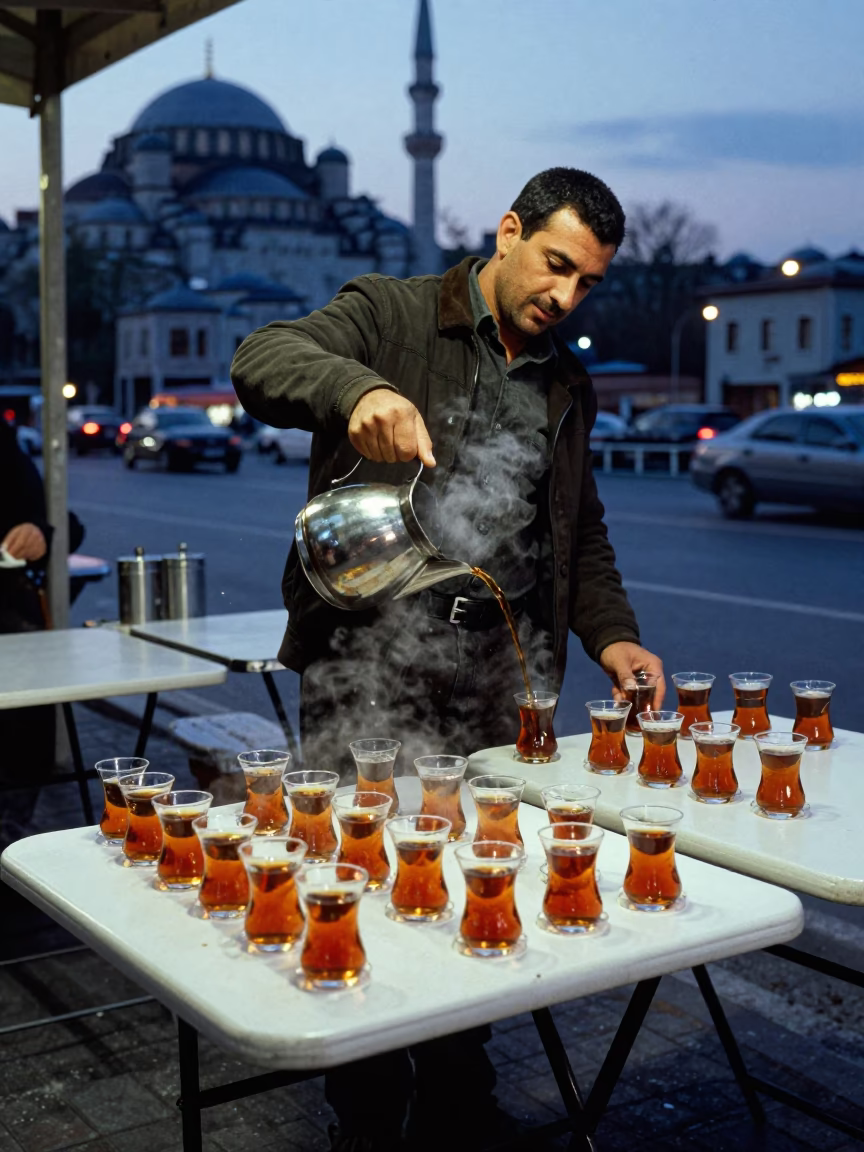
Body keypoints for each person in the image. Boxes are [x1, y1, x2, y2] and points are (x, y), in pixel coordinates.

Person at [232, 167, 664, 1151]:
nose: (566, 295)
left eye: (588, 282)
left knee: (478, 879)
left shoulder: (566, 381)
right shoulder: (391, 313)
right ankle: (366, 1117)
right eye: (555, 264)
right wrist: (358, 388)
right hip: (368, 661)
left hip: (497, 676)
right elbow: (261, 356)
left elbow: (578, 529)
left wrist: (614, 634)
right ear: (508, 232)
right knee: (361, 881)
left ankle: (459, 1101)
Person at [0, 418, 55, 846]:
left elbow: (55, 522)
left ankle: (11, 836)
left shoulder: (3, 445)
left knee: (25, 737)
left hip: (10, 622)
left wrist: (37, 534)